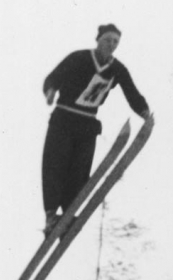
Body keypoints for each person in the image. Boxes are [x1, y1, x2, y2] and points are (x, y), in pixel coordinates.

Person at [41, 24, 151, 236]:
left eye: (115, 42)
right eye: (107, 40)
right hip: (63, 119)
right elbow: (54, 77)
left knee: (79, 172)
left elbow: (131, 92)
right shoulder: (79, 58)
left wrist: (145, 113)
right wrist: (50, 91)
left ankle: (66, 216)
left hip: (87, 124)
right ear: (98, 40)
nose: (111, 45)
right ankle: (51, 217)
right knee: (56, 166)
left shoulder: (117, 69)